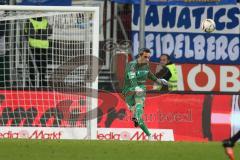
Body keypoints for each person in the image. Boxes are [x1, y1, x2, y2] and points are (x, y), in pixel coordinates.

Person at [122, 48, 168, 140]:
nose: (147, 59)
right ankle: (136, 117)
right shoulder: (132, 65)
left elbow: (149, 74)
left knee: (139, 111)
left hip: (140, 90)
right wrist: (136, 87)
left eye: (149, 57)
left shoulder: (146, 64)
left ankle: (149, 136)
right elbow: (131, 77)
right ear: (140, 56)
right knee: (136, 112)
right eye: (145, 57)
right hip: (129, 91)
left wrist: (159, 81)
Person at [24, 17, 52, 87]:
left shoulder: (45, 20)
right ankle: (32, 84)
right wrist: (42, 33)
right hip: (33, 48)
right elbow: (31, 33)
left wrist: (39, 32)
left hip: (44, 48)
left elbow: (49, 32)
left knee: (43, 67)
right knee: (32, 67)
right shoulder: (29, 20)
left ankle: (41, 83)